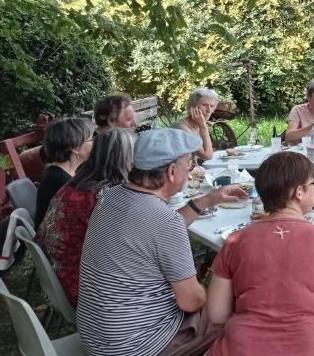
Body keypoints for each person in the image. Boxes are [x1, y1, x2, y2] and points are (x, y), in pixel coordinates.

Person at [77, 129, 248, 356]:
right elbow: (191, 301)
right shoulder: (164, 221)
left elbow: (155, 229)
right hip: (140, 346)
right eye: (189, 164)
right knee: (237, 312)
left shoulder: (110, 195)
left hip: (97, 336)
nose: (191, 170)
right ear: (172, 171)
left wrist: (206, 200)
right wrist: (218, 293)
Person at [205, 151, 314, 356]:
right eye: (313, 185)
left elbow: (217, 315)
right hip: (307, 346)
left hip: (242, 347)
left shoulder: (235, 241)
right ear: (299, 192)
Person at [36, 128, 135, 306]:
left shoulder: (76, 182)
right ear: (124, 159)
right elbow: (130, 247)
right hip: (85, 289)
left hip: (57, 275)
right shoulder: (104, 197)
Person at [35, 117, 95, 228]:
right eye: (91, 139)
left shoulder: (56, 172)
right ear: (75, 148)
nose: (95, 143)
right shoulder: (61, 181)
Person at [173, 88, 218, 160]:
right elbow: (208, 156)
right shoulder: (182, 128)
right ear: (193, 107)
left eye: (212, 106)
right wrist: (203, 126)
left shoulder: (197, 126)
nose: (209, 110)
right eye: (204, 105)